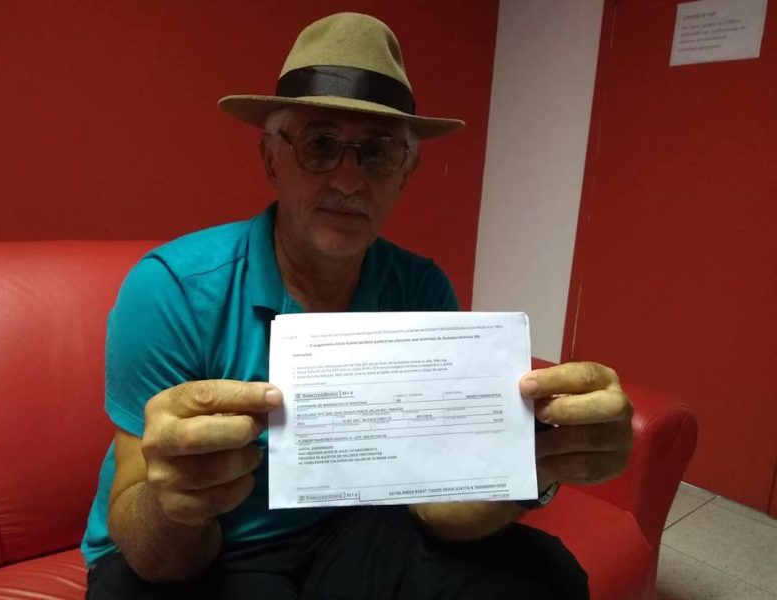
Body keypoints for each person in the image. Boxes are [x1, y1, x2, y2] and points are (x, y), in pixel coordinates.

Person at [81, 12, 632, 600]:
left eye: (377, 152)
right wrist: (178, 503)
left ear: (406, 172)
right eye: (319, 145)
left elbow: (436, 509)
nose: (348, 181)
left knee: (547, 577)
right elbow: (156, 558)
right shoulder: (171, 291)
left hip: (348, 529)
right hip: (208, 550)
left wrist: (536, 462)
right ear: (271, 160)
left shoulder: (421, 291)